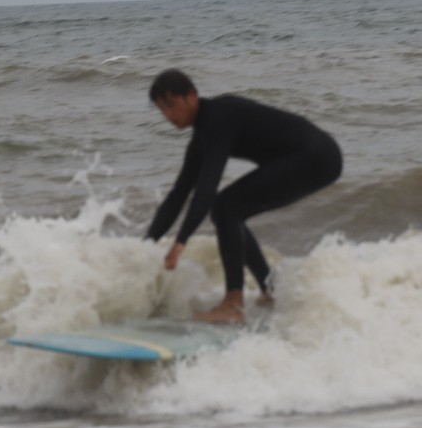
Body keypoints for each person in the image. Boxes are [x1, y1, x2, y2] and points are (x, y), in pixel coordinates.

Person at [144, 69, 343, 324]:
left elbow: (207, 187)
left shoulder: (218, 117)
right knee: (227, 209)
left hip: (316, 155)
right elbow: (178, 195)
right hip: (315, 157)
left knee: (226, 207)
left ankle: (233, 305)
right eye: (162, 110)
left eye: (172, 105)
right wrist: (146, 247)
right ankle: (269, 290)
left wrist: (181, 241)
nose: (169, 115)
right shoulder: (202, 137)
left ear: (191, 95)